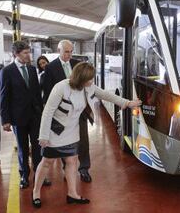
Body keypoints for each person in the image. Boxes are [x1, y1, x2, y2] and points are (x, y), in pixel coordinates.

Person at [32, 62, 141, 208]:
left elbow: (106, 95)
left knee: (72, 162)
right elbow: (48, 111)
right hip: (55, 132)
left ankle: (72, 194)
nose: (92, 81)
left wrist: (127, 103)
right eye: (89, 78)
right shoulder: (61, 87)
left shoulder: (89, 87)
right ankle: (36, 192)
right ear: (80, 78)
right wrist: (44, 135)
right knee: (47, 163)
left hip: (72, 131)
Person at [0, 41, 51, 189]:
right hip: (18, 117)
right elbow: (3, 97)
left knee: (37, 146)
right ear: (16, 54)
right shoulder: (7, 71)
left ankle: (39, 174)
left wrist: (42, 113)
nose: (29, 55)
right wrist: (5, 120)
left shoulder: (32, 69)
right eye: (25, 53)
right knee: (22, 147)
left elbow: (36, 93)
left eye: (29, 52)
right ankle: (24, 175)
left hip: (35, 116)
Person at [42, 40, 93, 183]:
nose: (69, 55)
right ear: (59, 50)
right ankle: (67, 169)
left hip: (80, 111)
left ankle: (84, 169)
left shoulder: (77, 64)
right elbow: (47, 93)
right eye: (66, 52)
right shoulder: (50, 68)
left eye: (71, 51)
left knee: (83, 141)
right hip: (63, 114)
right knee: (65, 143)